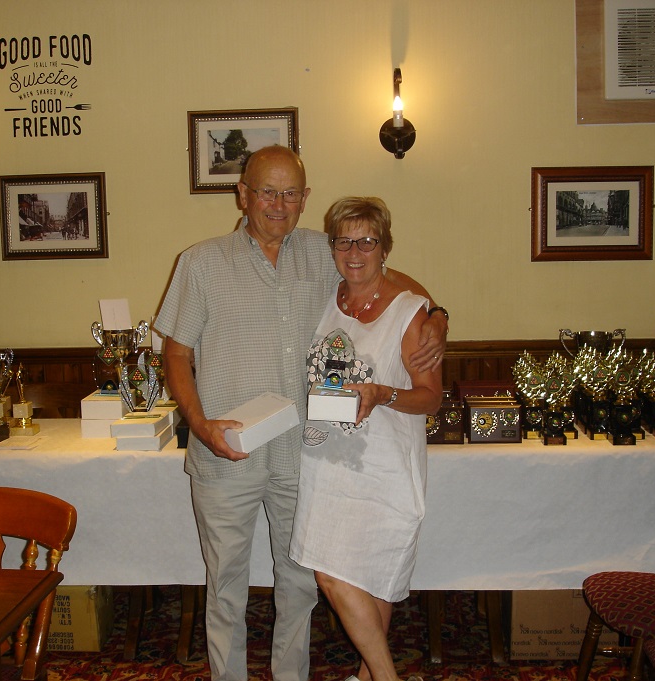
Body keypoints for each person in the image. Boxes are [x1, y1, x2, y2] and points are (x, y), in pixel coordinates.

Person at [155, 145, 447, 681]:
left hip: (302, 458)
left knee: (299, 587)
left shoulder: (325, 252)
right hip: (225, 457)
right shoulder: (199, 263)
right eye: (267, 190)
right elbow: (176, 355)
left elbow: (400, 286)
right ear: (242, 194)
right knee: (226, 589)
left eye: (291, 192)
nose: (278, 203)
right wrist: (199, 425)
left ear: (305, 198)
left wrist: (439, 319)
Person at [289, 197, 443, 681]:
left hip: (383, 469)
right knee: (359, 580)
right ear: (332, 245)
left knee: (338, 576)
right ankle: (369, 675)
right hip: (325, 464)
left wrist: (382, 394)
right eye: (344, 241)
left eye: (367, 241)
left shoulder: (410, 313)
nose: (354, 251)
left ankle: (384, 677)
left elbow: (430, 399)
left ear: (384, 248)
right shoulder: (326, 300)